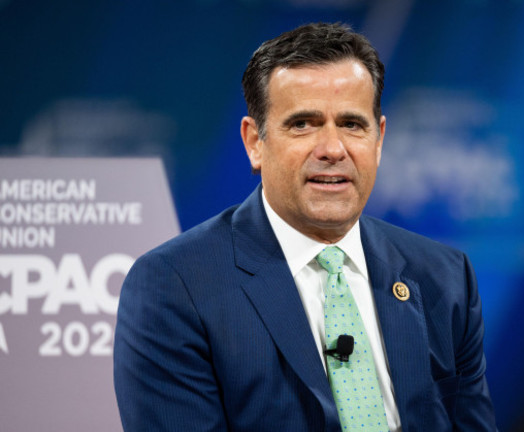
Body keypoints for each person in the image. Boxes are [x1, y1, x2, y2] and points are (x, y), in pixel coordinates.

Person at [114, 22, 497, 432]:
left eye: (352, 124)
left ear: (379, 138)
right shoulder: (176, 286)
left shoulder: (444, 276)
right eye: (303, 124)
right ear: (254, 142)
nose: (333, 149)